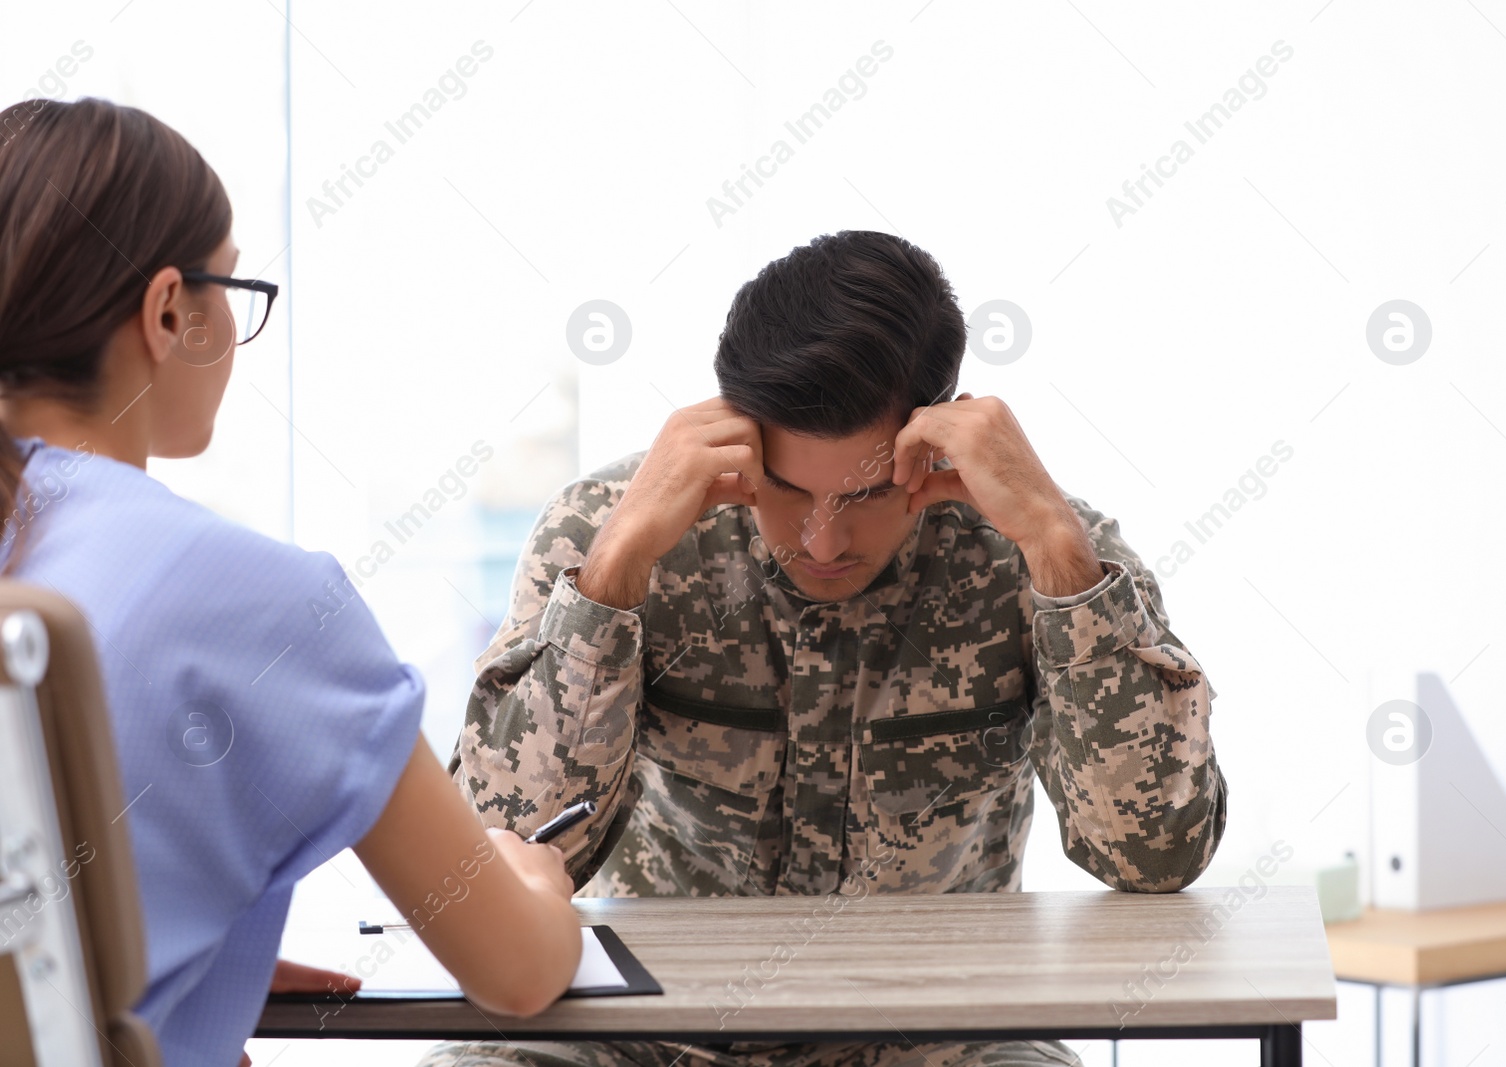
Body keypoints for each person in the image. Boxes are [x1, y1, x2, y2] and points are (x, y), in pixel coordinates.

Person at [431, 230, 1228, 1067]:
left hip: (937, 1037)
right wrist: (612, 574)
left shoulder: (1039, 548)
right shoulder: (611, 531)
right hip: (653, 1035)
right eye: (788, 489)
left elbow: (1154, 855)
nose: (822, 539)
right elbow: (502, 849)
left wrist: (1062, 560)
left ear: (941, 437)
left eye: (869, 495)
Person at [0, 97, 582, 1067]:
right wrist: (537, 884)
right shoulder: (258, 600)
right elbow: (516, 969)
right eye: (233, 285)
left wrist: (138, 954)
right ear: (167, 312)